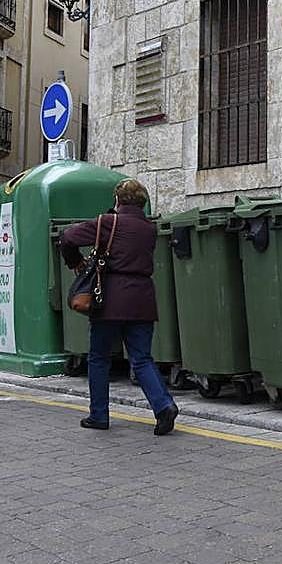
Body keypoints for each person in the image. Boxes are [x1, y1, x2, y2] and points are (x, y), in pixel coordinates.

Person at [61, 178, 179, 435]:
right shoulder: (150, 229)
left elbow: (68, 237)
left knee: (99, 357)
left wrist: (76, 263)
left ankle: (99, 415)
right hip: (142, 298)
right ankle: (164, 406)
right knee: (142, 359)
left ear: (117, 200)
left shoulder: (108, 222)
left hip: (109, 299)